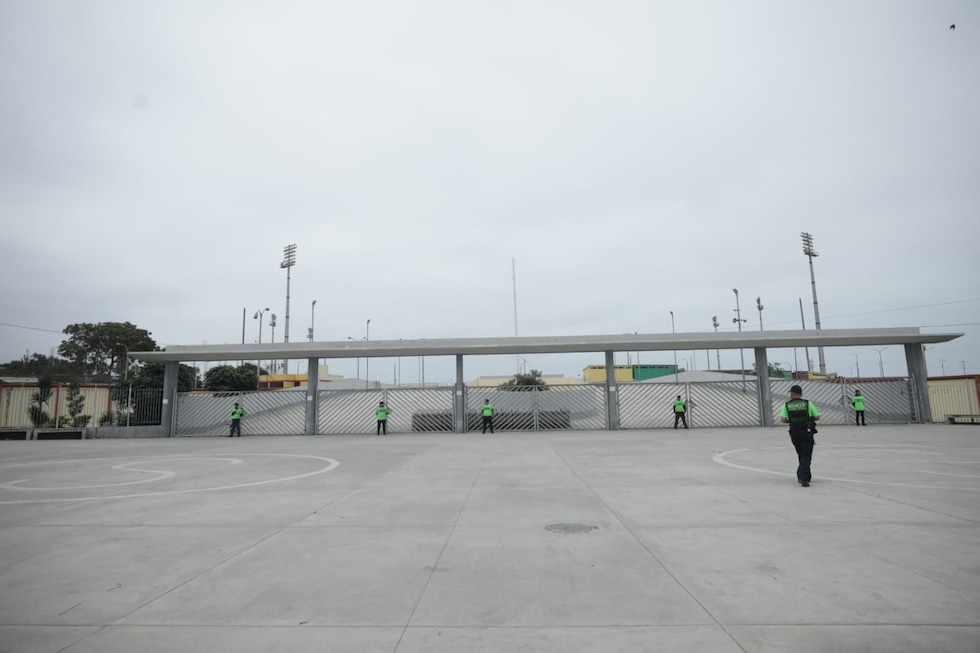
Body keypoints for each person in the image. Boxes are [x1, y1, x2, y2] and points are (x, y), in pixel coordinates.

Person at [779, 385, 820, 487]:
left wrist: (792, 420)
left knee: (801, 454)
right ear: (801, 394)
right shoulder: (807, 403)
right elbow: (817, 417)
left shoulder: (787, 405)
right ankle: (802, 477)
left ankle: (807, 475)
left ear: (792, 394)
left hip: (794, 432)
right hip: (807, 431)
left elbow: (783, 419)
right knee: (806, 454)